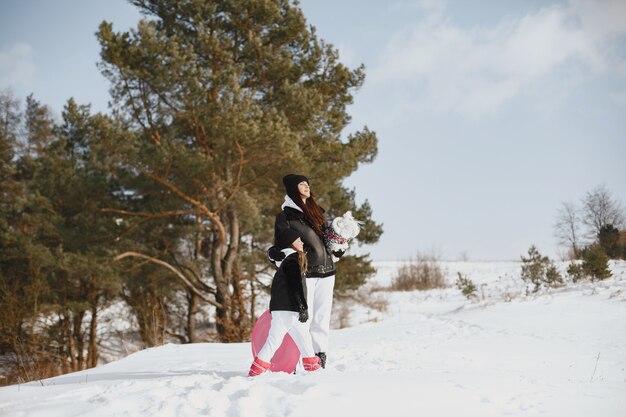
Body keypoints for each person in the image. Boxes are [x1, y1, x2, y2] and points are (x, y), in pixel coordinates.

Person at [269, 174, 345, 369]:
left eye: (307, 184)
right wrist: (279, 254)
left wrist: (339, 245)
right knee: (301, 317)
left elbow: (328, 241)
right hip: (306, 273)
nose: (307, 187)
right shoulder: (285, 216)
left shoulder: (317, 213)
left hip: (328, 272)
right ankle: (295, 360)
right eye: (302, 184)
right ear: (293, 189)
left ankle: (320, 358)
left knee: (322, 318)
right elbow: (280, 246)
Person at [248, 247, 321, 377]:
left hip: (288, 310)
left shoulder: (287, 262)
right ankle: (256, 371)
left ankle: (313, 370)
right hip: (287, 309)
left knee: (304, 339)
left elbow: (274, 252)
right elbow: (296, 286)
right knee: (274, 341)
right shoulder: (293, 260)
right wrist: (302, 307)